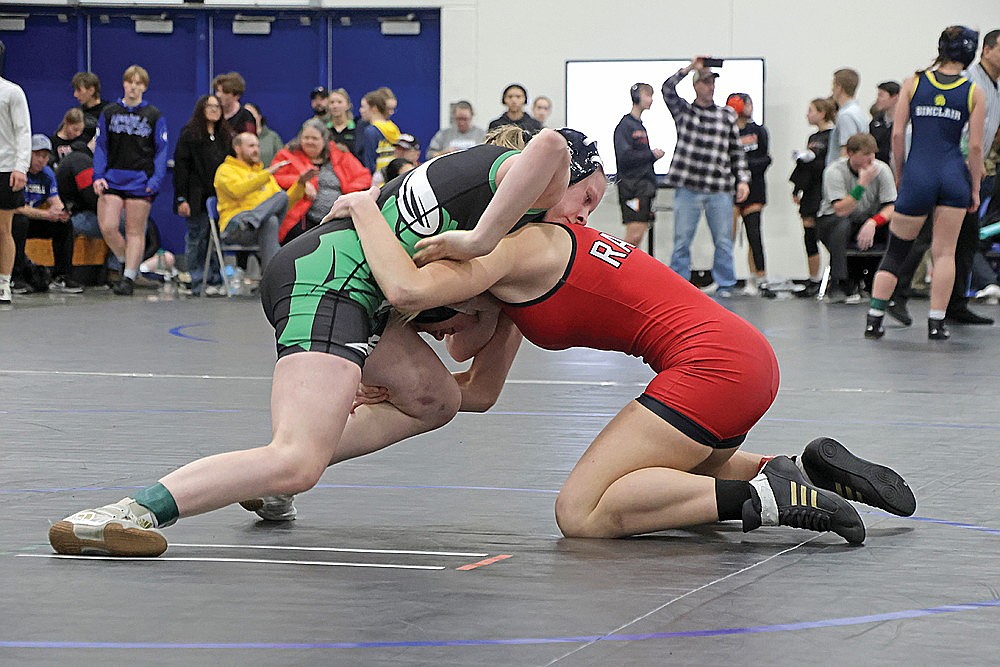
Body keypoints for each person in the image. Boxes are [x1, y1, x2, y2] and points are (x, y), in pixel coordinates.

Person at [317, 130, 915, 546]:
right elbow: (477, 390)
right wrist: (408, 388)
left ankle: (775, 497)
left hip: (711, 369)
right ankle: (795, 470)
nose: (584, 215)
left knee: (581, 513)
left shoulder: (523, 246)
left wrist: (367, 212)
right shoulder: (535, 259)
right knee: (668, 489)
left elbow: (410, 293)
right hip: (739, 358)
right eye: (583, 199)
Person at [47, 128, 587, 557]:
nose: (584, 217)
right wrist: (479, 241)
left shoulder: (496, 223)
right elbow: (552, 145)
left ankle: (271, 482)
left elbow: (473, 376)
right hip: (326, 282)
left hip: (352, 292)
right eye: (586, 199)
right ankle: (123, 513)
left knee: (433, 397)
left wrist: (501, 304)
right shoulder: (506, 184)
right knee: (297, 458)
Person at [866, 26, 985, 340]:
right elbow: (975, 147)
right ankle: (936, 323)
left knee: (895, 252)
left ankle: (874, 318)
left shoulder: (913, 83)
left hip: (919, 173)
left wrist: (902, 174)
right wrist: (974, 187)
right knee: (944, 253)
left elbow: (896, 134)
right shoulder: (974, 91)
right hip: (952, 176)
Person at [661, 57, 750, 296]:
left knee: (723, 241)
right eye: (705, 82)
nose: (710, 86)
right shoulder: (684, 112)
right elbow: (667, 88)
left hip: (719, 188)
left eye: (712, 82)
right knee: (682, 240)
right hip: (688, 187)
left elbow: (736, 150)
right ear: (696, 86)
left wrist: (743, 179)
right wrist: (690, 68)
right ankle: (679, 285)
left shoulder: (726, 115)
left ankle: (726, 284)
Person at [93, 64, 168, 296]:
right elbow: (101, 146)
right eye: (130, 82)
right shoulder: (109, 112)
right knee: (108, 225)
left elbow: (161, 150)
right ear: (124, 83)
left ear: (144, 87)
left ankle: (128, 277)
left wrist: (156, 180)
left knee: (136, 230)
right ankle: (127, 261)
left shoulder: (154, 115)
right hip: (113, 177)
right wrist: (98, 175)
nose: (134, 87)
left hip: (140, 179)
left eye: (139, 83)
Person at [213, 132, 313, 271]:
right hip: (234, 227)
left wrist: (300, 184)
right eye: (251, 146)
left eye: (258, 146)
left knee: (277, 207)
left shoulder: (264, 175)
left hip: (256, 228)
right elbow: (237, 190)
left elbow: (284, 204)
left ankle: (268, 281)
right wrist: (267, 173)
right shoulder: (225, 170)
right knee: (270, 219)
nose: (256, 150)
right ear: (237, 147)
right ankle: (272, 278)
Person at [815, 133, 896, 303]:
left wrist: (874, 222)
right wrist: (862, 184)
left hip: (866, 218)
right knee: (842, 225)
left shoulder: (882, 169)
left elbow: (891, 205)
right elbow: (841, 209)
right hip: (833, 220)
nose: (871, 159)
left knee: (894, 227)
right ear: (851, 153)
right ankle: (840, 282)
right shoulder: (834, 171)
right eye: (865, 154)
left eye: (873, 154)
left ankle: (880, 280)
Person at [271, 118, 371, 245]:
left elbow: (364, 176)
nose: (309, 142)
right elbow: (274, 176)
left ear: (325, 140)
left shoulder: (341, 155)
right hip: (301, 221)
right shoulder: (287, 155)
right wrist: (300, 183)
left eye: (314, 138)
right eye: (306, 137)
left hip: (339, 219)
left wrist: (348, 194)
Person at [173, 94, 233, 294]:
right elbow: (181, 167)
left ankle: (216, 280)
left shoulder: (225, 135)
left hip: (220, 196)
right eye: (210, 106)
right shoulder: (189, 134)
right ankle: (197, 280)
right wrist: (181, 198)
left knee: (215, 239)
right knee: (196, 237)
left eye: (217, 106)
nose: (214, 110)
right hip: (195, 195)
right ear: (201, 109)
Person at [11, 134, 83, 294]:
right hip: (11, 221)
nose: (41, 160)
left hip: (32, 219)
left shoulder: (47, 174)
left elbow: (55, 202)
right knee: (19, 220)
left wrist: (61, 213)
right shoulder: (17, 172)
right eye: (37, 155)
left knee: (63, 224)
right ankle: (14, 278)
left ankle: (61, 276)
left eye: (45, 156)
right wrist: (46, 215)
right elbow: (15, 208)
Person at [790, 98, 836, 297]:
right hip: (810, 191)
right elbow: (806, 167)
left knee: (825, 233)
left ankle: (835, 277)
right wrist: (797, 188)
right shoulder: (813, 137)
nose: (807, 114)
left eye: (811, 110)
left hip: (823, 190)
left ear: (822, 113)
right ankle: (814, 279)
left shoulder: (833, 135)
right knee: (808, 235)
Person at [729, 93, 772, 294]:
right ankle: (724, 278)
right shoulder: (727, 132)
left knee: (754, 234)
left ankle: (758, 278)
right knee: (726, 235)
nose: (750, 107)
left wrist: (745, 167)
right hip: (729, 188)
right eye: (746, 104)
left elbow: (765, 158)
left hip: (755, 189)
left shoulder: (758, 130)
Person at [613, 82, 664, 247]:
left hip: (644, 187)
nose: (650, 100)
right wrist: (651, 155)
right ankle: (616, 271)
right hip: (632, 188)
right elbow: (624, 157)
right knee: (633, 236)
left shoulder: (639, 126)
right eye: (647, 95)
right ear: (636, 97)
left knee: (638, 235)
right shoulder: (625, 126)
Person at [0, 39, 31, 305]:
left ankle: (3, 283)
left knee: (3, 229)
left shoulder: (12, 92)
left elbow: (23, 131)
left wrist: (20, 167)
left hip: (5, 169)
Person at [355, 90, 401, 176]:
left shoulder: (370, 131)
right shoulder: (393, 128)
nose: (361, 110)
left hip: (376, 180)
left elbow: (369, 162)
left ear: (374, 108)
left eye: (364, 107)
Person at [828, 68, 867, 164]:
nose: (832, 89)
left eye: (833, 85)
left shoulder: (846, 115)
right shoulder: (858, 112)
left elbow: (846, 150)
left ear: (839, 87)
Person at [71, 71, 109, 145]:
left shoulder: (108, 111)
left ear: (91, 90)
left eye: (79, 90)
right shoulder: (76, 113)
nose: (75, 95)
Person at [869, 81, 901, 167]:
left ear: (895, 97)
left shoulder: (904, 123)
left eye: (881, 95)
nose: (877, 99)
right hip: (877, 167)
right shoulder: (875, 122)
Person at [244, 102, 282, 167]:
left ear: (259, 116)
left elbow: (281, 159)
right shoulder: (239, 138)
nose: (248, 118)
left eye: (251, 114)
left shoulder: (273, 137)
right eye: (245, 116)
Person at [325, 88, 357, 154]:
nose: (335, 106)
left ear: (348, 106)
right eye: (332, 102)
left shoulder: (357, 128)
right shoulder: (324, 129)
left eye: (339, 102)